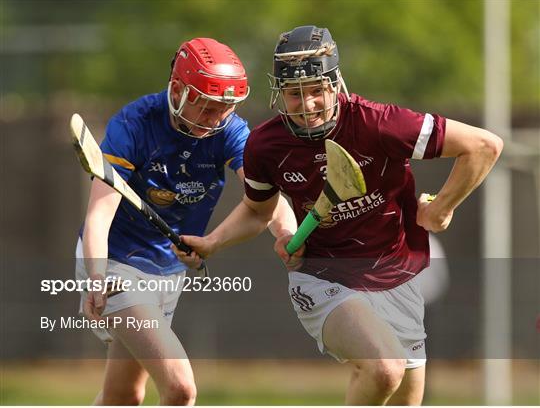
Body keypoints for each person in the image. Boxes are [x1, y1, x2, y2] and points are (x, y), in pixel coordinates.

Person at [177, 25, 503, 405]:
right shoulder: (266, 146)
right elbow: (257, 209)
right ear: (279, 93)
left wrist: (442, 207)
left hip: (397, 278)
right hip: (323, 277)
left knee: (405, 396)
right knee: (384, 368)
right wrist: (214, 242)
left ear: (335, 85)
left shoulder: (379, 124)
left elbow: (484, 146)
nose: (307, 104)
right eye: (294, 93)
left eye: (316, 90)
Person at [76, 37, 295, 405]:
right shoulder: (134, 125)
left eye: (224, 108)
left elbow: (266, 198)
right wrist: (96, 274)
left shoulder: (230, 131)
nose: (215, 118)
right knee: (180, 387)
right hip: (116, 267)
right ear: (177, 90)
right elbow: (98, 213)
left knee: (124, 396)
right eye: (206, 107)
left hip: (168, 270)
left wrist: (287, 231)